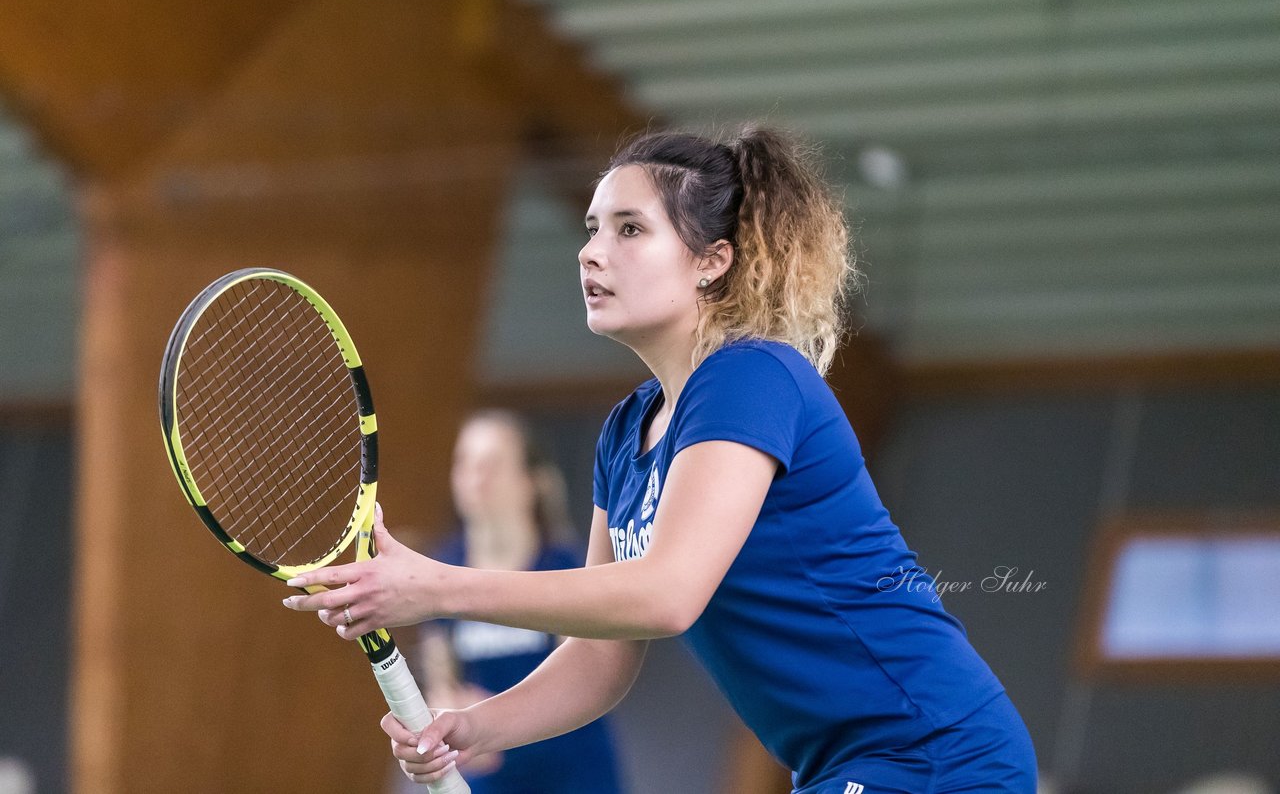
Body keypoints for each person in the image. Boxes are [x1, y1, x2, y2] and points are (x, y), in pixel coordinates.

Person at [284, 126, 1039, 793]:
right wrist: (480, 727)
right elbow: (599, 658)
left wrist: (436, 587)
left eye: (629, 229)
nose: (591, 251)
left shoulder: (752, 377)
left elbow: (666, 593)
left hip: (937, 753)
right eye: (590, 228)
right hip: (844, 767)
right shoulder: (625, 434)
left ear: (712, 262)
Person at [411, 409, 625, 794]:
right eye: (466, 463)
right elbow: (440, 677)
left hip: (573, 775)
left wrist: (496, 721)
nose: (477, 477)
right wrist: (452, 713)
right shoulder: (441, 569)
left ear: (533, 482)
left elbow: (587, 672)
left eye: (492, 464)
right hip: (490, 778)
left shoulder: (564, 567)